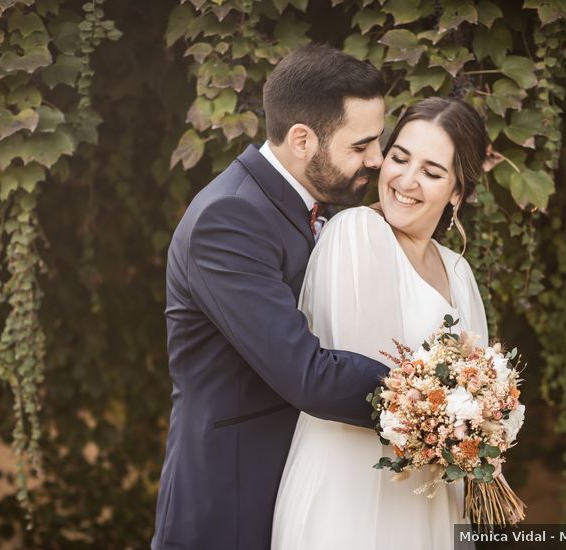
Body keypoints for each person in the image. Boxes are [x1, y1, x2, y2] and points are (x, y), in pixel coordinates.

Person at [151, 44, 390, 550]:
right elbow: (305, 373)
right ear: (302, 140)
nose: (378, 159)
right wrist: (435, 398)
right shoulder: (229, 219)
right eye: (362, 144)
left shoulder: (316, 205)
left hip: (305, 490)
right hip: (233, 501)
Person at [271, 97, 490, 550]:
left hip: (432, 499)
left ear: (457, 191)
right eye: (399, 158)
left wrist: (491, 415)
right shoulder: (357, 233)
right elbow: (377, 386)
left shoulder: (459, 272)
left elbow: (474, 389)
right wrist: (461, 415)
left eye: (431, 173)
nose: (406, 181)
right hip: (353, 493)